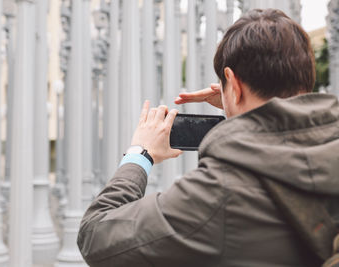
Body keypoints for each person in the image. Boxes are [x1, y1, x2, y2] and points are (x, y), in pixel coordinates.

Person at [77, 9, 339, 267]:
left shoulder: (217, 192)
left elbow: (95, 237)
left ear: (231, 83)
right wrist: (235, 103)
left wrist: (140, 154)